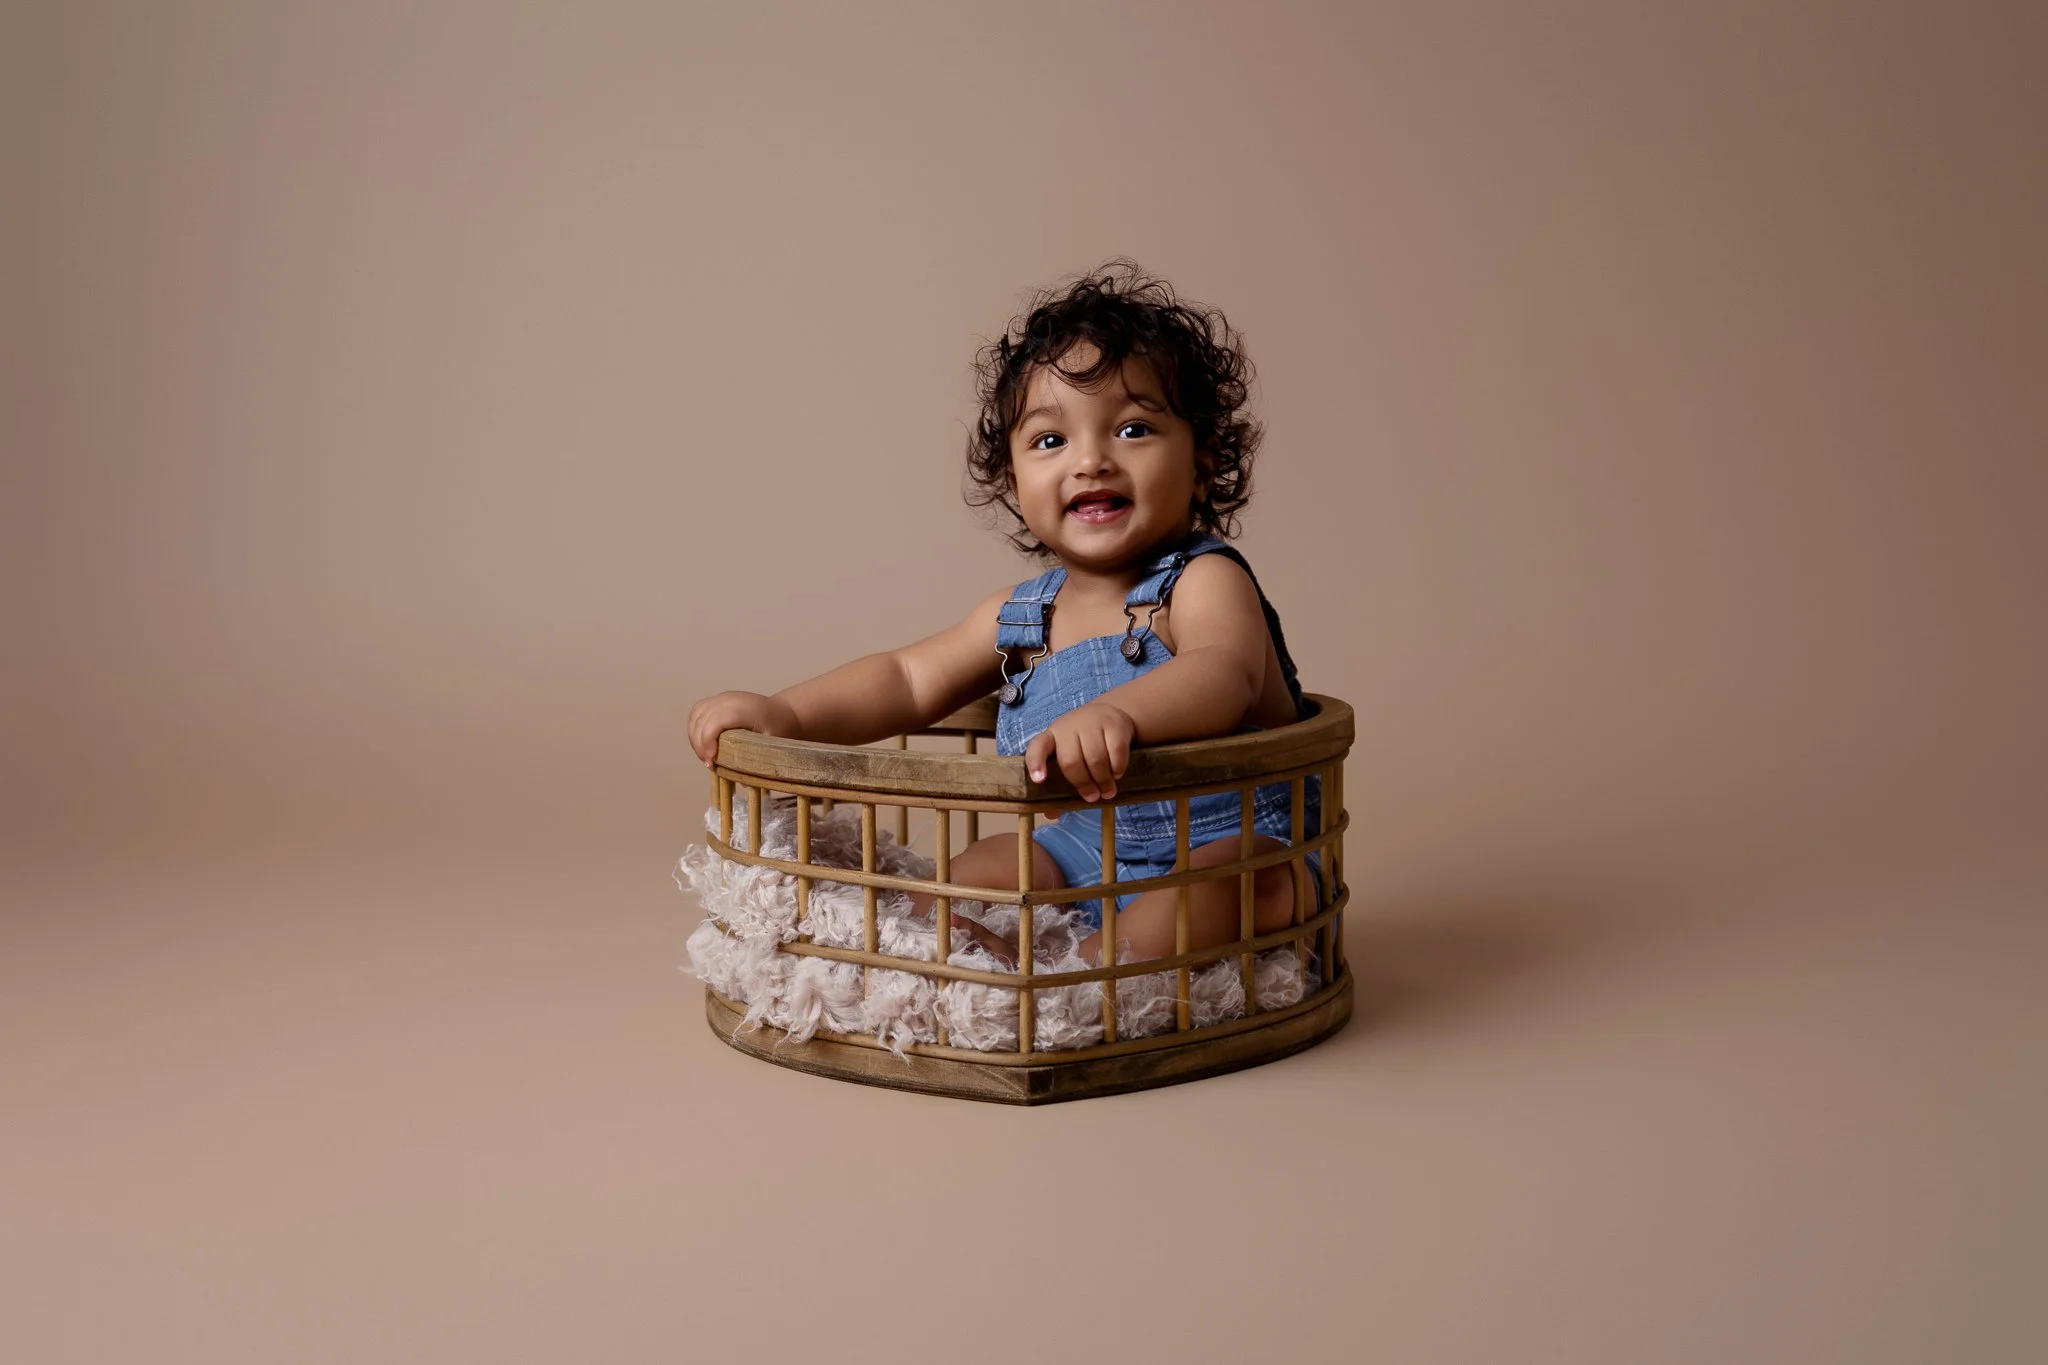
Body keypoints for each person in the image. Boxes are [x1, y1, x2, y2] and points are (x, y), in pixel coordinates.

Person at [686, 260, 1321, 968]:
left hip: (1228, 839)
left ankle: (1082, 973)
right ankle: (952, 961)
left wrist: (1122, 715)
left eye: (1134, 429)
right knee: (978, 867)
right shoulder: (1023, 618)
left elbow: (1223, 671)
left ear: (1202, 461)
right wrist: (787, 714)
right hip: (1083, 853)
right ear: (1014, 481)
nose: (1091, 462)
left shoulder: (1201, 581)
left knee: (1229, 884)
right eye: (1051, 441)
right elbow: (905, 679)